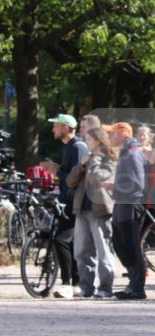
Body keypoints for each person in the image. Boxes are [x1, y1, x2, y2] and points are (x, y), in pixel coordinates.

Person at [40, 114, 89, 298]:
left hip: (75, 202)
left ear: (67, 128)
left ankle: (67, 283)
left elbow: (75, 177)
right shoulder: (69, 147)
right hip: (69, 200)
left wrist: (55, 170)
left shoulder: (77, 146)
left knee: (61, 239)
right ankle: (75, 283)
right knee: (70, 241)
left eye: (56, 126)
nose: (53, 129)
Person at [66, 127, 117, 298]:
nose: (86, 143)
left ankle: (105, 287)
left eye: (88, 140)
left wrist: (93, 161)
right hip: (82, 209)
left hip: (100, 210)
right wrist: (81, 165)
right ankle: (86, 286)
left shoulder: (109, 159)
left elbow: (97, 178)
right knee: (81, 250)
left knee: (103, 250)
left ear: (98, 141)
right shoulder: (87, 159)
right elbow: (70, 181)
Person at [105, 122, 147, 300]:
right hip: (123, 203)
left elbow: (138, 183)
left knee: (130, 245)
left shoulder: (132, 152)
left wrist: (115, 186)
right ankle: (133, 284)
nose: (109, 137)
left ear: (123, 134)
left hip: (131, 203)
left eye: (112, 134)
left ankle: (137, 288)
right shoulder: (126, 152)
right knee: (120, 242)